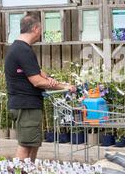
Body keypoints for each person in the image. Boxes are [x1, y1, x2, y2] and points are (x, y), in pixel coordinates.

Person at [5, 15, 76, 161]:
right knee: (26, 145)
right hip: (26, 105)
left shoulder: (20, 48)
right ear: (35, 28)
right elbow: (37, 81)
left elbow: (37, 72)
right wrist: (65, 86)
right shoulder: (22, 50)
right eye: (41, 29)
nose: (41, 33)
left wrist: (49, 78)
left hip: (27, 105)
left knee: (33, 143)